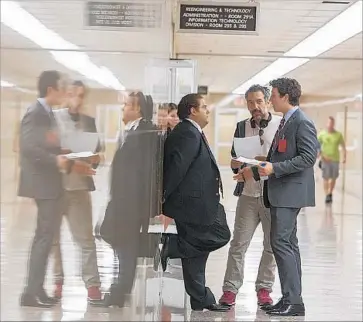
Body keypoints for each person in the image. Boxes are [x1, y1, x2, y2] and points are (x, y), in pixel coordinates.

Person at [236, 78, 318, 317]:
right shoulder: (287, 121)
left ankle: (294, 301)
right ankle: (290, 298)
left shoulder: (301, 122)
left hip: (289, 194)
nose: (270, 99)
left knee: (282, 245)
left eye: (273, 95)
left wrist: (275, 169)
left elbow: (307, 157)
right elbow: (279, 157)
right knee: (287, 245)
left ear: (285, 96)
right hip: (282, 192)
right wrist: (255, 170)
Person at [18, 71, 94, 308]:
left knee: (45, 238)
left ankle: (36, 290)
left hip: (52, 184)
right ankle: (30, 293)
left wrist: (68, 159)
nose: (64, 93)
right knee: (44, 239)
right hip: (45, 185)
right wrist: (56, 161)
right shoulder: (36, 112)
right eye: (61, 89)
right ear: (51, 90)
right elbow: (29, 147)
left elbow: (47, 145)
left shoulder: (46, 113)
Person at [161, 93, 231, 312]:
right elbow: (177, 168)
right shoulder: (188, 133)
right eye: (204, 107)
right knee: (221, 235)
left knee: (196, 254)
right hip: (192, 205)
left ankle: (201, 298)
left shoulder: (191, 132)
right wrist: (164, 198)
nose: (208, 110)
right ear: (192, 110)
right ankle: (171, 246)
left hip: (197, 202)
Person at [219, 85, 279, 308]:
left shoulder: (280, 124)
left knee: (271, 245)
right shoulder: (241, 127)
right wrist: (235, 165)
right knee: (238, 244)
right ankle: (230, 290)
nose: (255, 106)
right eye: (251, 102)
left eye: (259, 101)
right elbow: (235, 160)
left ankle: (264, 289)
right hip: (248, 194)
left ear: (267, 101)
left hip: (272, 195)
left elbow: (279, 159)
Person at [99, 91, 159, 307]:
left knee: (126, 247)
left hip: (131, 204)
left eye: (126, 105)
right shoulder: (132, 131)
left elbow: (142, 172)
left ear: (137, 109)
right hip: (124, 201)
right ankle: (120, 290)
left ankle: (120, 292)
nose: (123, 108)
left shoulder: (144, 133)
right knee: (122, 245)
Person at [52, 80, 102, 302]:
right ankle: (58, 281)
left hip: (79, 188)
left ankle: (92, 285)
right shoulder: (52, 119)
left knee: (85, 240)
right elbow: (46, 153)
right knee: (53, 240)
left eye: (81, 95)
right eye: (73, 94)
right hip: (53, 189)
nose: (77, 99)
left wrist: (93, 158)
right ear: (66, 94)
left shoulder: (89, 122)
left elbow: (97, 156)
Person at [318, 116, 346, 203]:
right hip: (325, 159)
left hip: (335, 159)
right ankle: (327, 195)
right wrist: (320, 155)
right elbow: (316, 146)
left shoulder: (338, 135)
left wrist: (344, 157)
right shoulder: (322, 134)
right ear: (327, 123)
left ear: (334, 124)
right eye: (329, 123)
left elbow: (343, 146)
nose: (330, 125)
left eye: (332, 123)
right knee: (326, 177)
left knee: (333, 178)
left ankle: (330, 193)